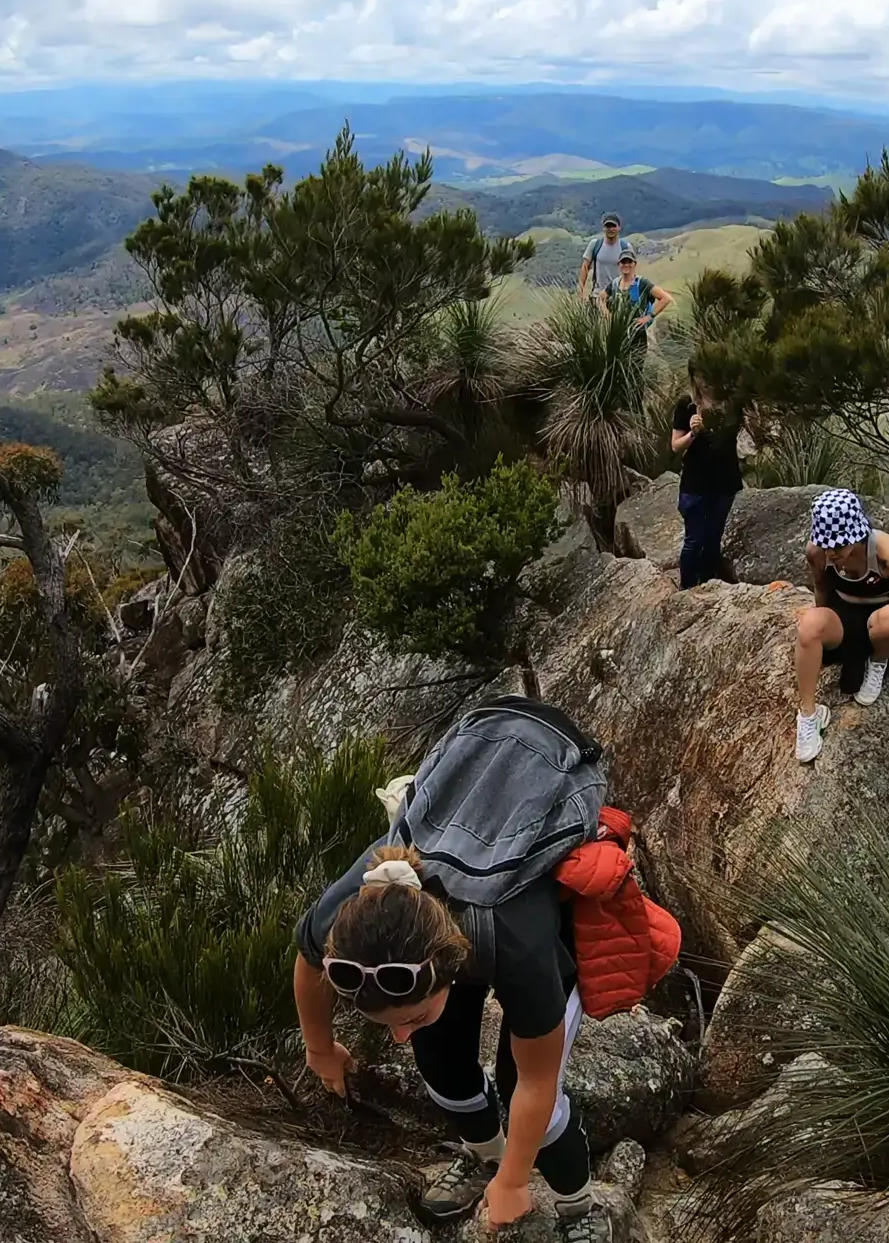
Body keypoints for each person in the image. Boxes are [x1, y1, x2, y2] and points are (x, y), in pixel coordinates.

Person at [294, 699, 612, 1242]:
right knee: (437, 1056)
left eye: (409, 1015)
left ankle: (578, 1206)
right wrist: (319, 1048)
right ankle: (483, 1154)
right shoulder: (352, 908)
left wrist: (517, 1182)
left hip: (549, 775)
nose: (395, 1037)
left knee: (530, 1097)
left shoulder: (515, 940)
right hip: (477, 749)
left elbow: (537, 1079)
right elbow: (306, 962)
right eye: (390, 1022)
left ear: (448, 966)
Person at [791, 488, 889, 763]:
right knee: (808, 626)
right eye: (826, 545)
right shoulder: (817, 552)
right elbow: (821, 590)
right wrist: (819, 638)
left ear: (856, 536)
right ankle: (809, 715)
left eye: (839, 546)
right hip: (843, 614)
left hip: (882, 612)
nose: (832, 553)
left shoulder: (884, 553)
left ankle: (878, 661)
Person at [670, 373, 741, 588]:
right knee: (694, 540)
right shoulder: (687, 405)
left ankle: (709, 584)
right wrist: (693, 433)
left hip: (725, 481)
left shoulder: (732, 402)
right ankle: (687, 588)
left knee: (713, 538)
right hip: (696, 483)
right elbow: (675, 446)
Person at [596, 248, 672, 339]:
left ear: (634, 264)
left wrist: (648, 317)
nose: (626, 265)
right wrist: (607, 315)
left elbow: (666, 298)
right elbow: (600, 298)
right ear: (619, 264)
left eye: (629, 262)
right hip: (618, 332)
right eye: (623, 262)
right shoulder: (615, 284)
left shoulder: (642, 283)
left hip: (637, 333)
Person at [576, 213, 626, 300]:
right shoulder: (595, 245)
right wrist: (580, 290)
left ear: (619, 227)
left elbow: (631, 273)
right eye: (607, 226)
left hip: (618, 297)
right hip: (597, 296)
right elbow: (584, 267)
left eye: (613, 226)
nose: (610, 229)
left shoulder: (625, 247)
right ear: (603, 228)